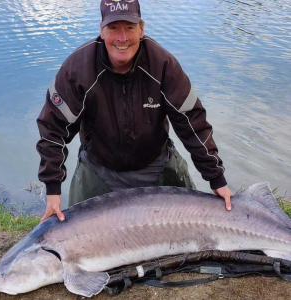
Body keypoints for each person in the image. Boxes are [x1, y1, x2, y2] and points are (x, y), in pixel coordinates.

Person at [36, 0, 233, 222]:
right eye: (113, 28)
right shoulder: (77, 70)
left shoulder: (163, 65)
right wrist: (53, 189)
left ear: (141, 29)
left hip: (157, 165)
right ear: (102, 30)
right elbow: (53, 129)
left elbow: (192, 122)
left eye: (129, 27)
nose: (122, 38)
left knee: (194, 229)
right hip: (100, 168)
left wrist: (216, 178)